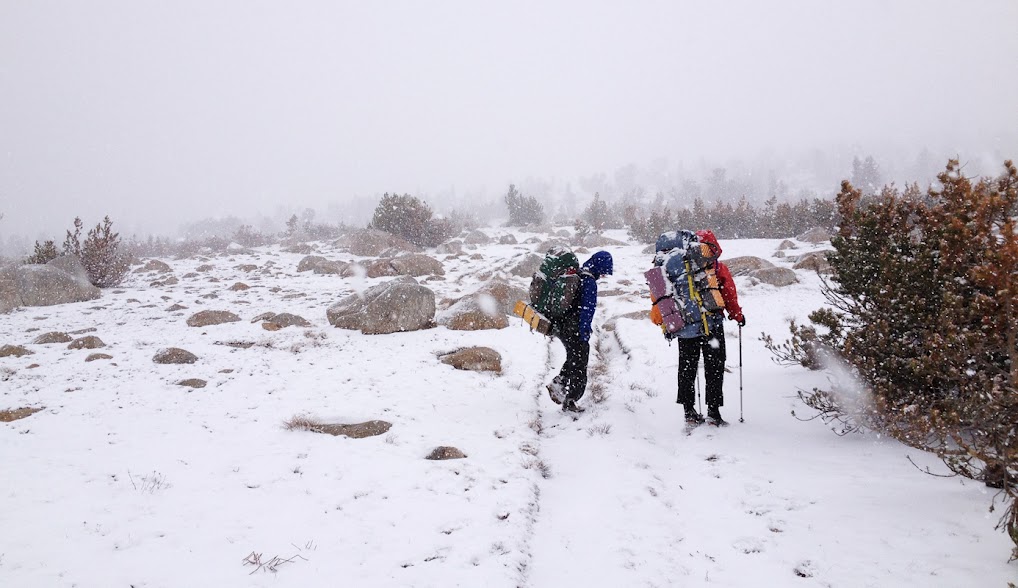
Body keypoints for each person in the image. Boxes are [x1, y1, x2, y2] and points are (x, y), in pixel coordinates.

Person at [673, 230, 744, 426]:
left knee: (687, 367)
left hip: (686, 327)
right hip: (711, 325)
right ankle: (713, 412)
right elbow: (728, 293)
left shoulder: (680, 267)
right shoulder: (715, 266)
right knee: (714, 367)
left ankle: (689, 412)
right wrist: (736, 315)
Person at [547, 250, 613, 413]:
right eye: (604, 272)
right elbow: (587, 309)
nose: (603, 276)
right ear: (599, 267)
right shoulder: (589, 281)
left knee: (574, 357)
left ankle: (559, 383)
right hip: (574, 327)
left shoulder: (577, 274)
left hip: (562, 325)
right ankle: (571, 400)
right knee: (580, 363)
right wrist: (584, 329)